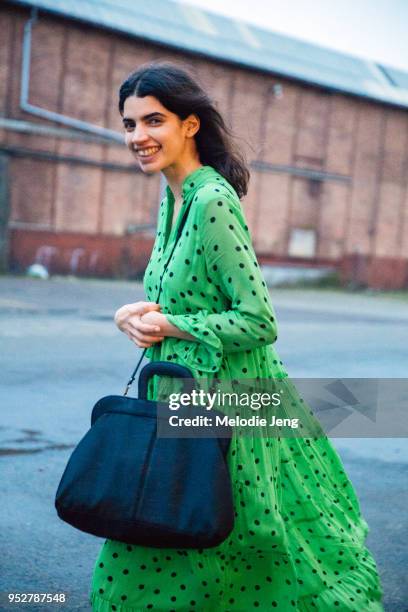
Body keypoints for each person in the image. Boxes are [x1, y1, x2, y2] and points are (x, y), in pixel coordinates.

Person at [90, 61, 384, 611]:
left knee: (222, 529)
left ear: (190, 125)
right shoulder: (172, 196)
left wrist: (175, 325)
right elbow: (175, 297)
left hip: (225, 395)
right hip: (180, 387)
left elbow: (258, 321)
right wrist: (129, 314)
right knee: (172, 518)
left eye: (153, 121)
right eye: (129, 124)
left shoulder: (211, 200)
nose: (138, 137)